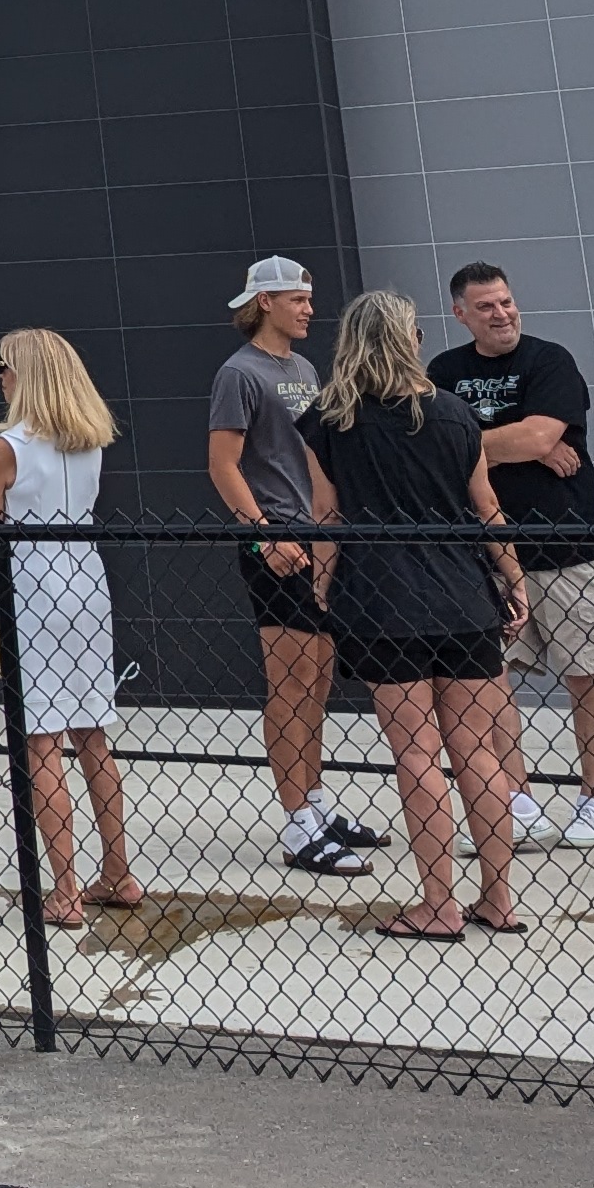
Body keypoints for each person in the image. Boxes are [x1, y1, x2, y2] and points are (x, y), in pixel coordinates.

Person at [311, 291, 528, 941]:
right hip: (464, 596)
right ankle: (499, 898)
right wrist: (512, 578)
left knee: (416, 754)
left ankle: (439, 905)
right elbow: (486, 506)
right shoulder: (457, 415)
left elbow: (327, 518)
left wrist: (323, 585)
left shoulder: (331, 421)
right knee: (479, 753)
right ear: (410, 339)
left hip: (383, 600)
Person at [428, 265, 594, 848]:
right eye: (485, 307)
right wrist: (520, 443)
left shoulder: (548, 360)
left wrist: (477, 445)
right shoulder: (445, 372)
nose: (501, 314)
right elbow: (433, 445)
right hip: (483, 555)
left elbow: (538, 436)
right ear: (461, 314)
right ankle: (516, 800)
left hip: (565, 546)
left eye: (506, 302)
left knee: (584, 672)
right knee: (490, 680)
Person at [206, 259, 379, 878]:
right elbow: (223, 465)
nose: (309, 309)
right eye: (297, 299)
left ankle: (315, 800)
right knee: (289, 682)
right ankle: (296, 820)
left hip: (318, 540)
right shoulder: (239, 372)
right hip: (275, 542)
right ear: (265, 303)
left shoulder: (305, 369)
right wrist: (263, 535)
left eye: (310, 299)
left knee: (320, 677)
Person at [0, 328, 138, 930]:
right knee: (93, 730)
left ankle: (64, 887)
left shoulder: (7, 448)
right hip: (87, 576)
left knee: (41, 737)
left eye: (3, 367)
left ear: (24, 375)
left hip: (33, 585)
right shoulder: (88, 440)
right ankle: (118, 869)